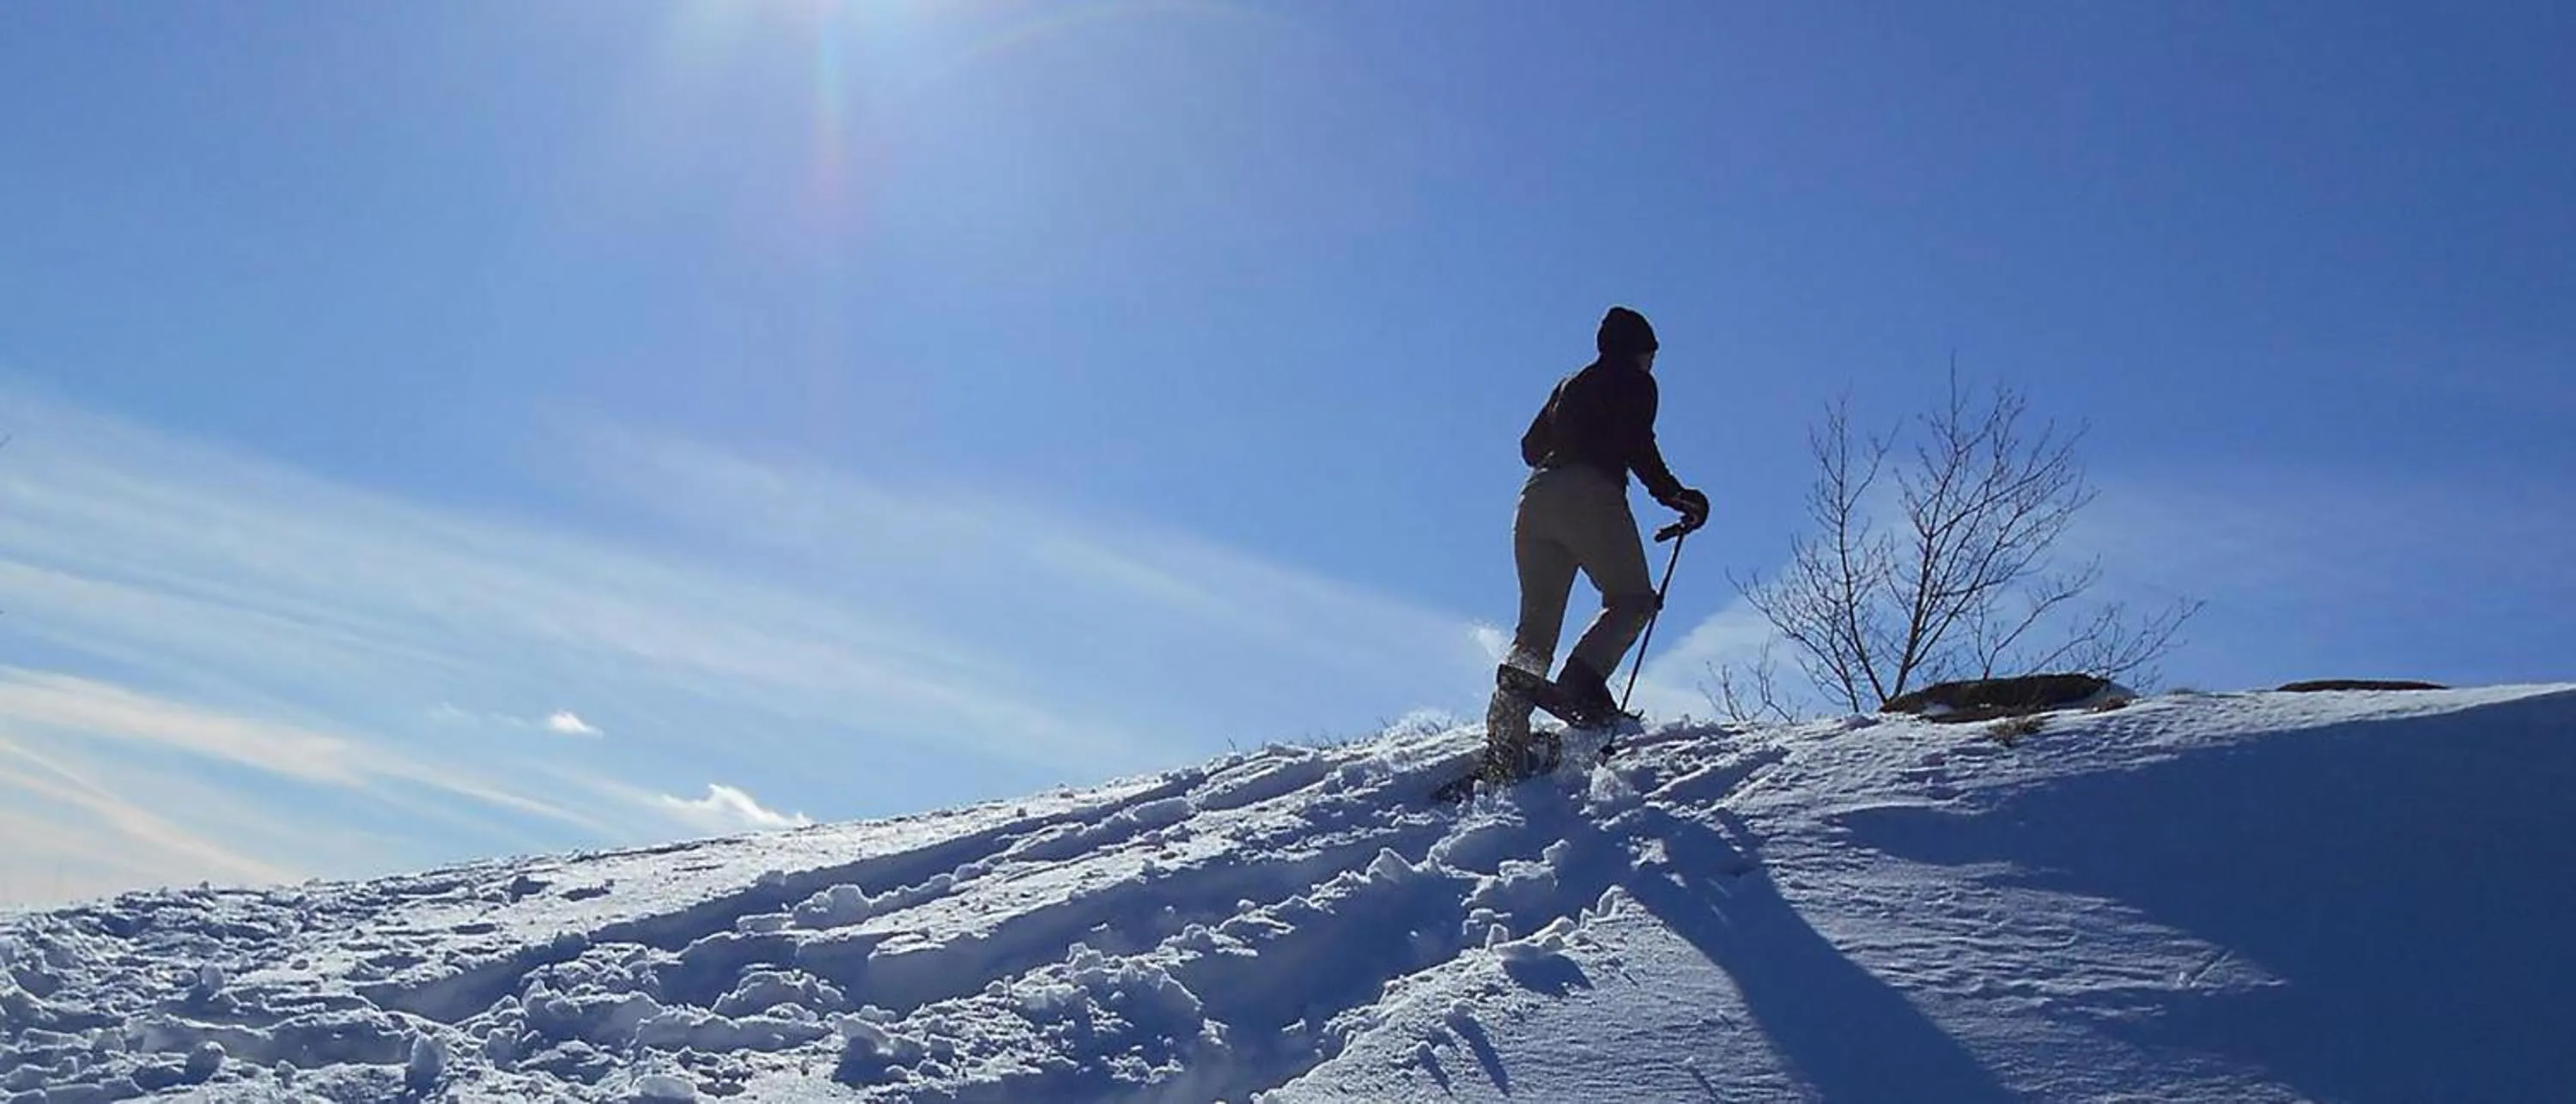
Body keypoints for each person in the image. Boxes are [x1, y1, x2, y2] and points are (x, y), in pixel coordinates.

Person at [1485, 306, 1708, 780]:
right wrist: (1673, 494)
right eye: (1650, 355)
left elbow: (1529, 448)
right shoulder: (1634, 382)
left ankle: (1505, 740)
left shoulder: (1570, 384)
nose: (1652, 365)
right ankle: (1582, 683)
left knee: (1535, 631)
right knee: (1633, 601)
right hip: (1591, 495)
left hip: (1536, 500)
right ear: (1637, 352)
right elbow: (1636, 442)